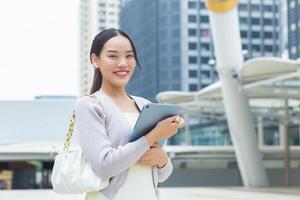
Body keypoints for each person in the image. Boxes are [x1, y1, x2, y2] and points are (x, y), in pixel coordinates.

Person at [75, 28, 185, 200]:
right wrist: (153, 135)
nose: (123, 64)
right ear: (95, 60)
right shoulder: (89, 105)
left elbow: (161, 174)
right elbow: (104, 166)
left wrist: (162, 158)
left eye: (129, 56)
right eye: (113, 56)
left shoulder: (144, 105)